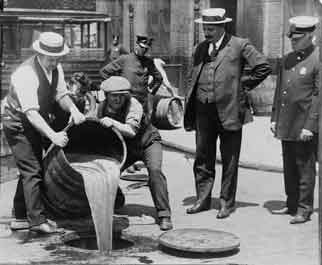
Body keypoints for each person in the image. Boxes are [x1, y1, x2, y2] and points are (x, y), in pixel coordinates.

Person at [184, 8, 271, 218]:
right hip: (203, 110)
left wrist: (241, 86)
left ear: (223, 26)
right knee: (203, 157)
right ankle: (202, 200)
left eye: (211, 28)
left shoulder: (240, 44)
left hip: (230, 109)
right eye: (204, 28)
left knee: (230, 159)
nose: (207, 32)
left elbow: (263, 67)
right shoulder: (200, 48)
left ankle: (226, 202)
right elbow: (192, 75)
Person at [2, 32, 86, 234]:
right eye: (50, 59)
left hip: (31, 119)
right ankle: (37, 220)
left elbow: (61, 95)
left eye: (57, 59)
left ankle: (20, 216)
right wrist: (53, 135)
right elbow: (31, 113)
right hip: (16, 120)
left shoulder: (56, 67)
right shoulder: (26, 74)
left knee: (32, 167)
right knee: (32, 169)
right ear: (39, 53)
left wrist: (74, 110)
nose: (53, 63)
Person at [97, 76, 173, 231]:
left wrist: (113, 122)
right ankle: (117, 199)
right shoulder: (101, 108)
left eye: (121, 95)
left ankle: (164, 215)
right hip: (127, 148)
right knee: (108, 171)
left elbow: (131, 131)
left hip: (148, 142)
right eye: (113, 96)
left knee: (155, 171)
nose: (118, 99)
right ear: (106, 95)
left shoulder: (133, 104)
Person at [270, 16, 319, 224]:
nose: (293, 41)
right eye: (292, 38)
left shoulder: (318, 59)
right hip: (287, 121)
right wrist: (274, 118)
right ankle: (291, 203)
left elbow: (319, 96)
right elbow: (279, 90)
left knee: (305, 166)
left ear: (310, 36)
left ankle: (304, 208)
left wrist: (310, 126)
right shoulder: (287, 59)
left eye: (297, 38)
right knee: (289, 164)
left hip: (305, 123)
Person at [100, 35, 165, 119]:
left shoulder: (149, 62)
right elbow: (104, 72)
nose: (144, 50)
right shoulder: (124, 59)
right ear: (137, 45)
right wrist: (113, 88)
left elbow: (159, 78)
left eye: (146, 49)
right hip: (126, 102)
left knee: (143, 127)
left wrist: (151, 91)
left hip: (142, 102)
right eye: (142, 47)